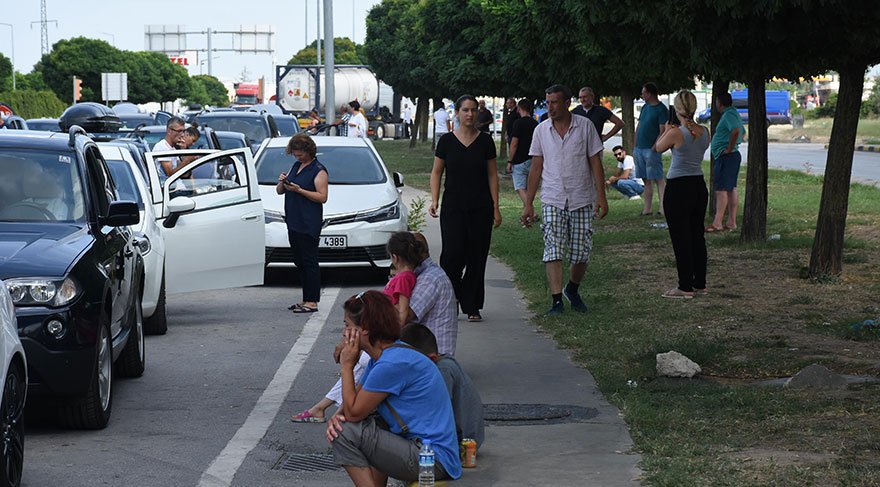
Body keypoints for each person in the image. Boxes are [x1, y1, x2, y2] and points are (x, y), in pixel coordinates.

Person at [326, 291, 462, 485]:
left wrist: (347, 366)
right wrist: (337, 417)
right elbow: (355, 402)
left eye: (347, 325)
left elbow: (354, 413)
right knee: (358, 423)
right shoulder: (387, 354)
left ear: (364, 328)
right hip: (423, 450)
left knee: (343, 432)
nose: (344, 333)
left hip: (432, 459)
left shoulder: (391, 364)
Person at [290, 232, 426, 423]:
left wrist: (394, 331)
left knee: (356, 369)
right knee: (357, 370)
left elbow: (402, 311)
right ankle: (323, 408)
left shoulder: (404, 278)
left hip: (379, 331)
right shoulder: (404, 276)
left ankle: (326, 409)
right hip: (378, 329)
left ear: (394, 257)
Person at [521, 84, 608, 316]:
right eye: (547, 103)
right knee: (553, 249)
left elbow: (595, 163)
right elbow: (536, 167)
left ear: (568, 103)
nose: (550, 107)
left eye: (554, 102)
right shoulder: (541, 130)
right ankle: (556, 300)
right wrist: (528, 203)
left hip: (581, 196)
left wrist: (602, 196)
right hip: (552, 196)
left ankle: (573, 288)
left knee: (581, 252)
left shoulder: (585, 127)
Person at [429, 95, 502, 323]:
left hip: (481, 208)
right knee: (451, 255)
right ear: (457, 113)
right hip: (453, 208)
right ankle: (454, 298)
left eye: (473, 110)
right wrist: (434, 200)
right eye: (465, 110)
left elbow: (492, 175)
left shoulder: (486, 142)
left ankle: (472, 306)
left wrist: (496, 206)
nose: (470, 114)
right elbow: (436, 172)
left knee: (476, 257)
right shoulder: (447, 142)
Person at [653, 90, 709, 299]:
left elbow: (657, 148)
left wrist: (666, 130)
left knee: (680, 237)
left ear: (677, 109)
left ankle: (684, 286)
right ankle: (700, 283)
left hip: (678, 187)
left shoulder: (676, 132)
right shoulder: (705, 131)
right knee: (697, 236)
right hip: (698, 185)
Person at [400, 323, 485, 449]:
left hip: (462, 440)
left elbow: (436, 412)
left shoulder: (443, 371)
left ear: (432, 358)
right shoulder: (441, 365)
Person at [276, 133, 329, 313]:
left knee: (309, 261)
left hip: (308, 222)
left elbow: (322, 197)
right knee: (299, 260)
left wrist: (300, 190)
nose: (297, 157)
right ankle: (305, 297)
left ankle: (312, 301)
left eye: (300, 154)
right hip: (294, 220)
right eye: (295, 154)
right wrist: (282, 182)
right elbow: (279, 192)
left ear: (309, 150)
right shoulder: (296, 166)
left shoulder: (319, 170)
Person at [408, 232, 458, 356]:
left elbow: (404, 317)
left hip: (435, 356)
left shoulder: (430, 278)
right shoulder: (427, 274)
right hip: (427, 351)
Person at [707, 92, 745, 233]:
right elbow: (742, 131)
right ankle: (731, 221)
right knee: (731, 188)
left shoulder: (728, 115)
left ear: (720, 103)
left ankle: (718, 222)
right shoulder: (734, 114)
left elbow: (736, 131)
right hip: (730, 156)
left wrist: (729, 148)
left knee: (721, 189)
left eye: (716, 101)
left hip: (727, 157)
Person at [634, 82, 670, 216]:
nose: (642, 95)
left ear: (649, 93)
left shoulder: (661, 109)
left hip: (651, 149)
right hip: (639, 148)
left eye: (643, 93)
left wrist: (656, 146)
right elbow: (640, 125)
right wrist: (635, 144)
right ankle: (647, 208)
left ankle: (662, 208)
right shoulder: (645, 107)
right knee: (645, 178)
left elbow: (663, 130)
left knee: (658, 178)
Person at [508, 98, 539, 206]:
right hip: (533, 159)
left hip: (520, 159)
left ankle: (530, 210)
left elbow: (514, 143)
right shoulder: (535, 123)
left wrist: (509, 161)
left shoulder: (518, 123)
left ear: (519, 108)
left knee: (520, 187)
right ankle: (528, 209)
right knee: (529, 187)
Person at [153, 116, 188, 181]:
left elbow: (184, 173)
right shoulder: (162, 147)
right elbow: (170, 174)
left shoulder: (172, 148)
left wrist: (183, 151)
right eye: (179, 131)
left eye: (183, 131)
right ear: (169, 131)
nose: (182, 135)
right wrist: (187, 161)